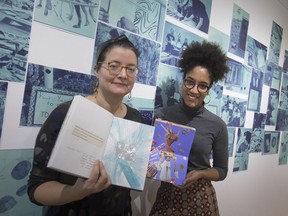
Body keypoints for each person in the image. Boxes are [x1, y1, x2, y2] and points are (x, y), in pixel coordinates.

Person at [28, 35, 143, 216]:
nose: (123, 75)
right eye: (113, 66)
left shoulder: (134, 119)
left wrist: (144, 166)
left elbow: (124, 173)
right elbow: (37, 188)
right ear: (97, 70)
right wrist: (78, 191)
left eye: (131, 69)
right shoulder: (66, 113)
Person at [149, 40, 230, 216]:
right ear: (182, 81)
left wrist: (201, 174)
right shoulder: (162, 115)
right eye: (189, 82)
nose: (194, 90)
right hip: (167, 196)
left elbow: (222, 171)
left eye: (202, 86)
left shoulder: (217, 125)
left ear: (209, 89)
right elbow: (152, 156)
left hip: (200, 198)